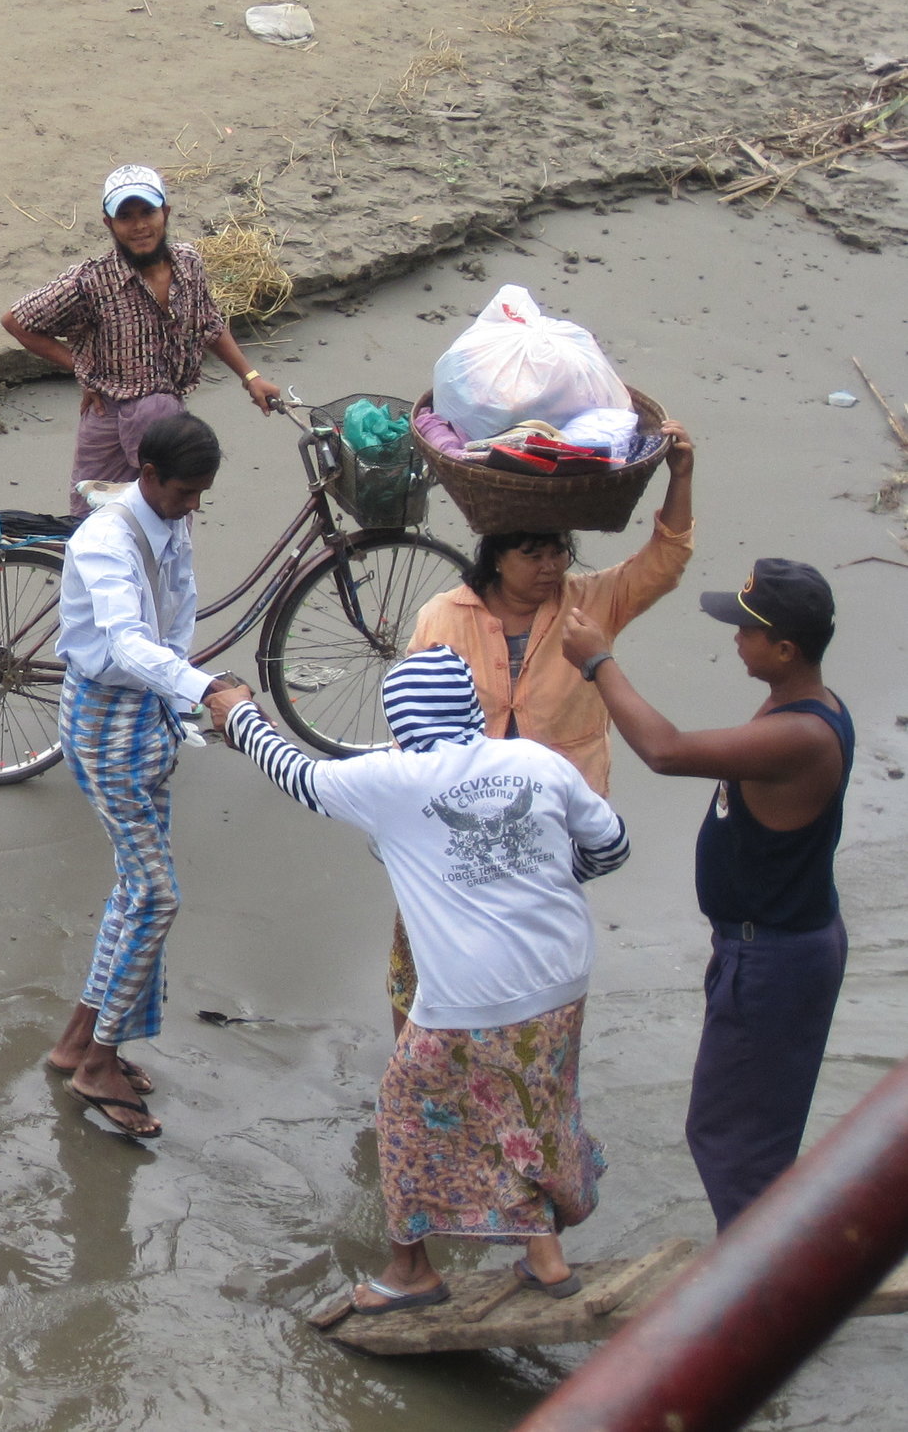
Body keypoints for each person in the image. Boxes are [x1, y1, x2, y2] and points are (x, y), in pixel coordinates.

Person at [212, 648, 627, 1314]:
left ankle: (410, 1271)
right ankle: (546, 1257)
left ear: (402, 722)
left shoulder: (392, 779)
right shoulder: (536, 761)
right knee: (530, 1101)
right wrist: (528, 879)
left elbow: (297, 774)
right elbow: (611, 846)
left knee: (405, 1108)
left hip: (473, 992)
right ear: (471, 707)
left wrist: (240, 716)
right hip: (564, 974)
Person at [562, 559, 850, 1230]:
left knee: (734, 1144)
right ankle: (768, 1272)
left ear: (785, 648)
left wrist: (598, 661)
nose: (734, 638)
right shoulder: (795, 701)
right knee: (746, 1136)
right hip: (767, 947)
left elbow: (666, 751)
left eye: (747, 630)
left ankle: (760, 1300)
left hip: (774, 958)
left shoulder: (802, 732)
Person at [386, 421, 695, 1028]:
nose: (550, 566)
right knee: (426, 952)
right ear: (496, 558)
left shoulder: (592, 604)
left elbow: (665, 561)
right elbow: (410, 723)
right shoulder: (443, 617)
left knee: (526, 960)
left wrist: (680, 475)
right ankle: (416, 1065)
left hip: (548, 826)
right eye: (533, 554)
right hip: (455, 821)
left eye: (558, 552)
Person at [43, 411, 228, 1138]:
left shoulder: (169, 519)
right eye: (185, 492)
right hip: (105, 722)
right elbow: (125, 639)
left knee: (134, 885)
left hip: (148, 716)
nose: (193, 507)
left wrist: (182, 695)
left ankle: (78, 1041)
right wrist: (204, 689)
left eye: (200, 494)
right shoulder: (105, 540)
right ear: (148, 477)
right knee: (155, 895)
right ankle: (99, 1063)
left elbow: (174, 615)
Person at [1, 165, 280, 507]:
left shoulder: (188, 264)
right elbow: (17, 321)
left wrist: (251, 377)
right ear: (110, 224)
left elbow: (209, 323)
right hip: (109, 418)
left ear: (165, 212)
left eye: (148, 212)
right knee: (92, 522)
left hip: (165, 416)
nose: (139, 227)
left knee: (167, 515)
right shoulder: (92, 282)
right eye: (126, 217)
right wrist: (83, 370)